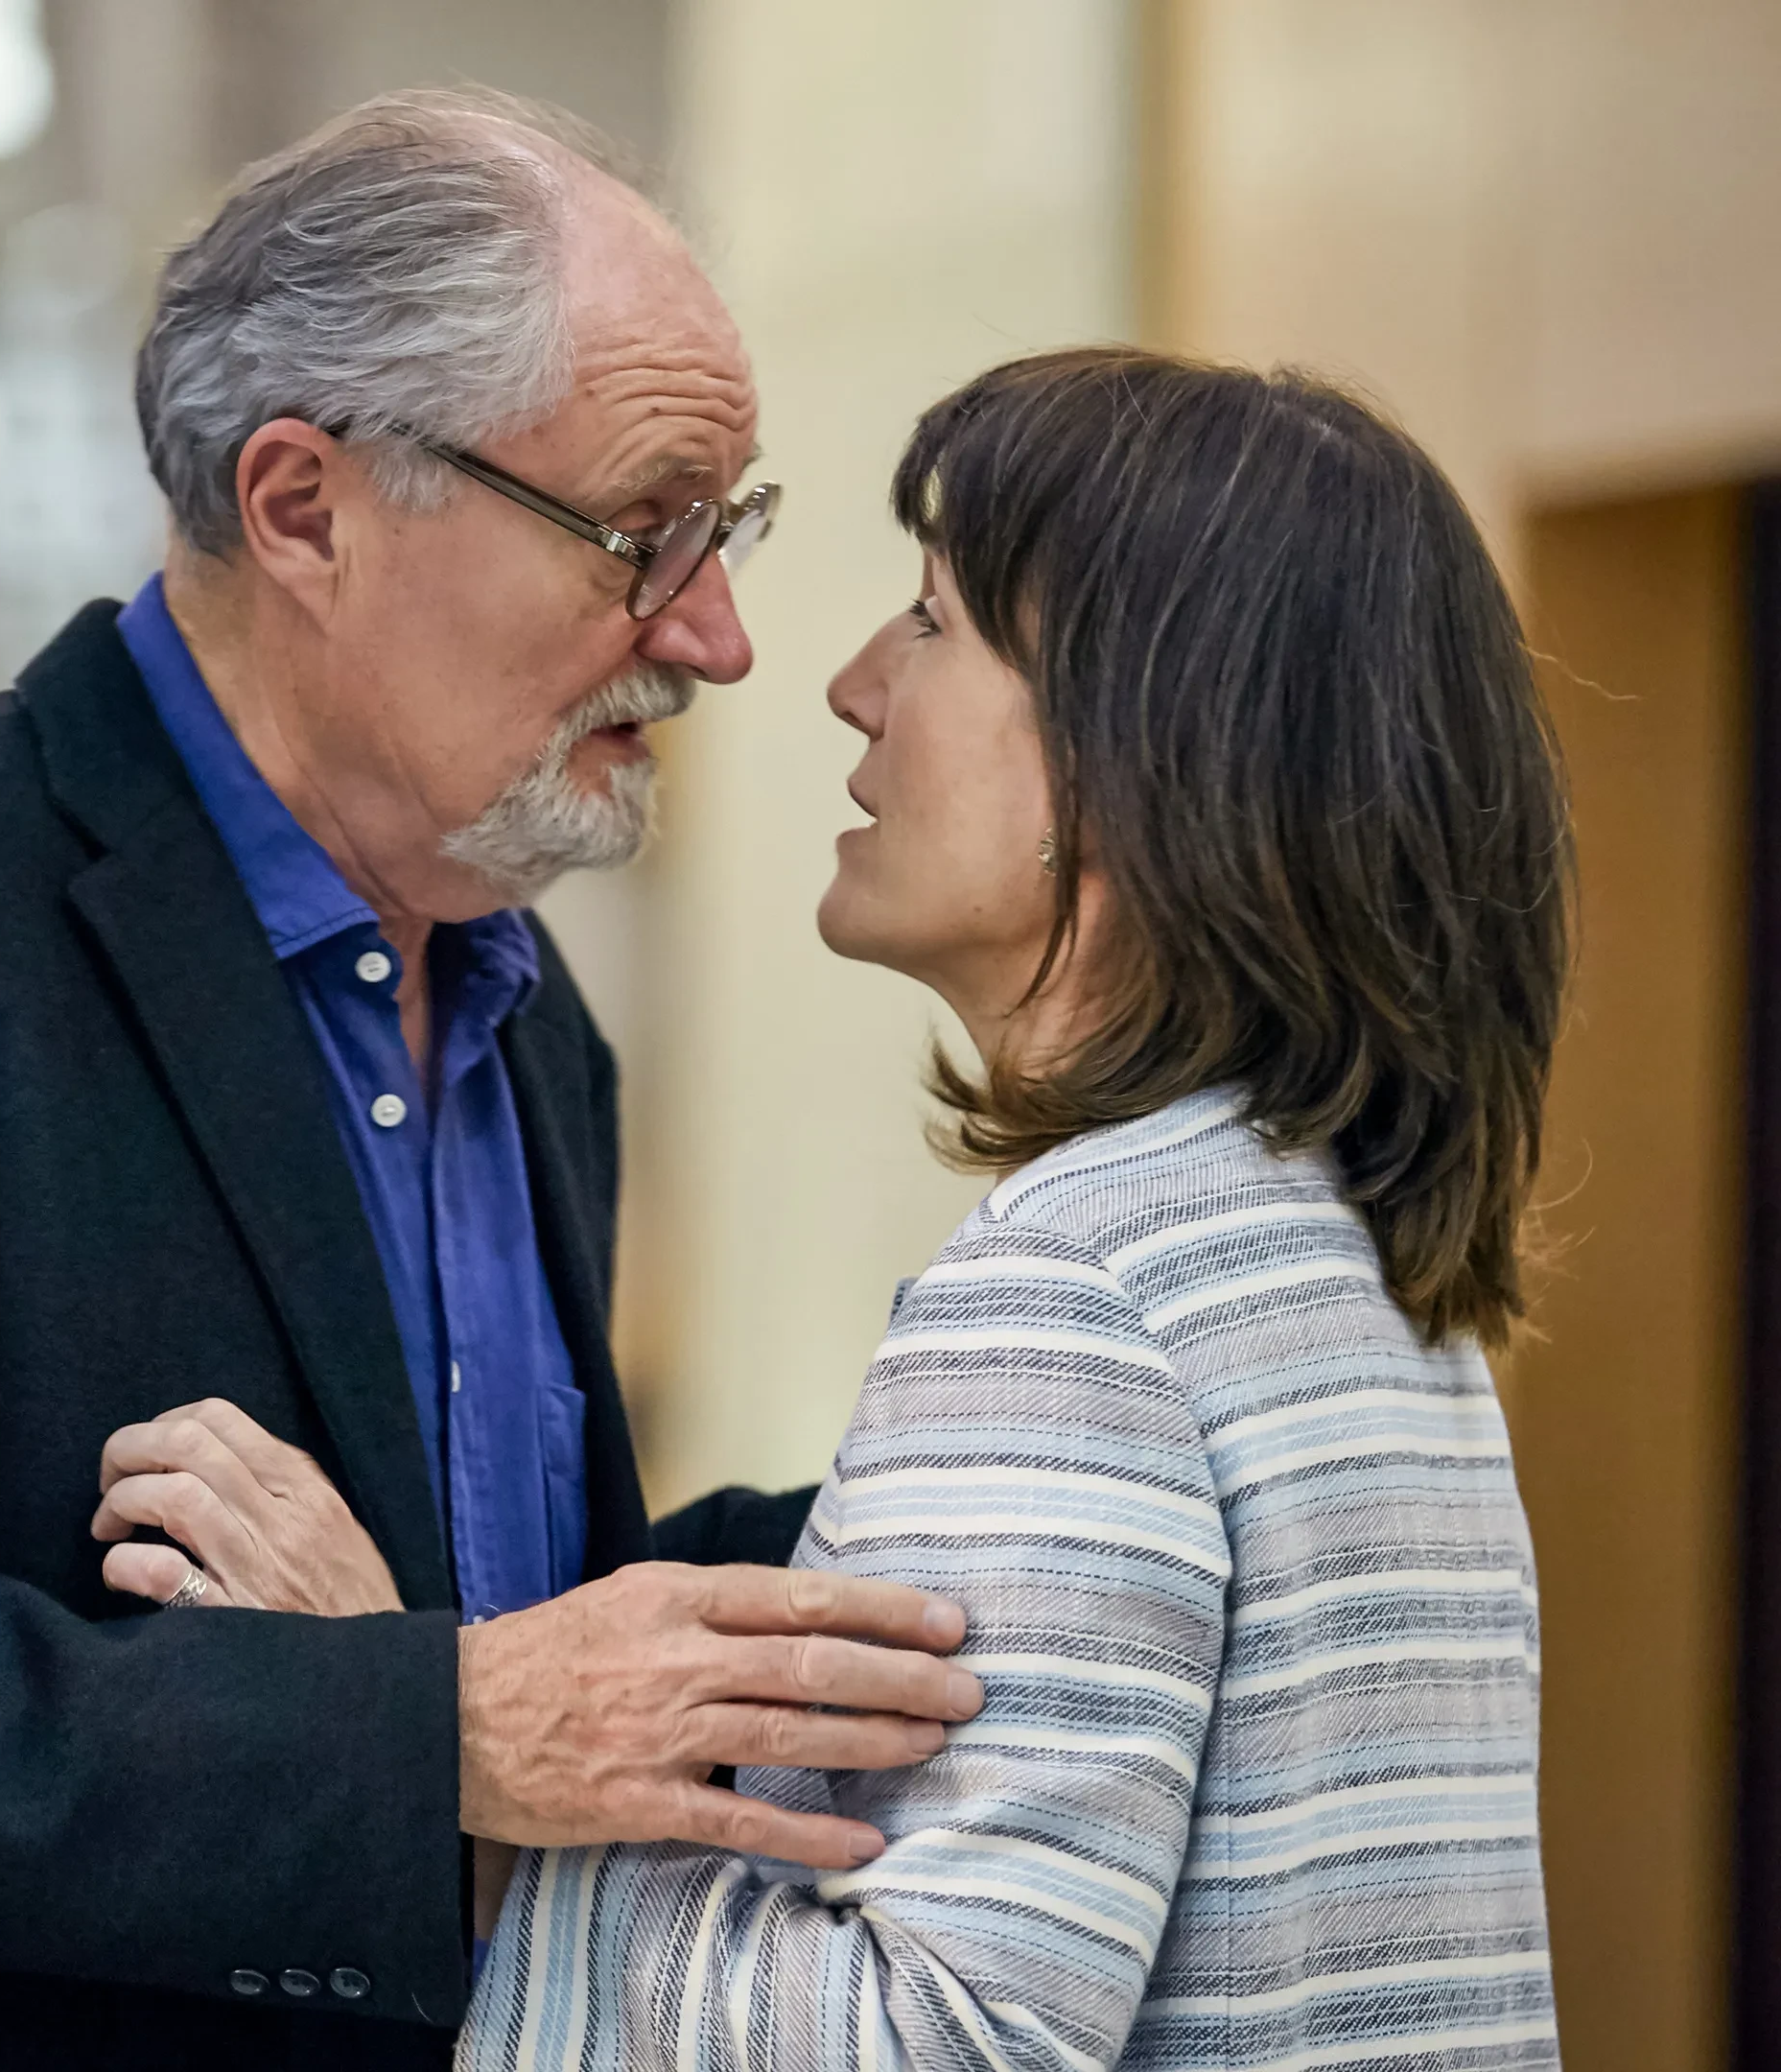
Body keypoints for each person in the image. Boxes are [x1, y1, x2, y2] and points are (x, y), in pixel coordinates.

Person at [0, 89, 986, 2068]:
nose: (714, 636)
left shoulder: (534, 1030)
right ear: (302, 509)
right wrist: (424, 1727)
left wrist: (998, 1495)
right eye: (646, 532)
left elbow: (512, 1625)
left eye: (732, 530)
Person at [160, 350, 1564, 2067]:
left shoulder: (1077, 1294)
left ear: (1139, 753)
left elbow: (932, 2042)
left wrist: (421, 1777)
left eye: (933, 623)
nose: (843, 685)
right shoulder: (1330, 1257)